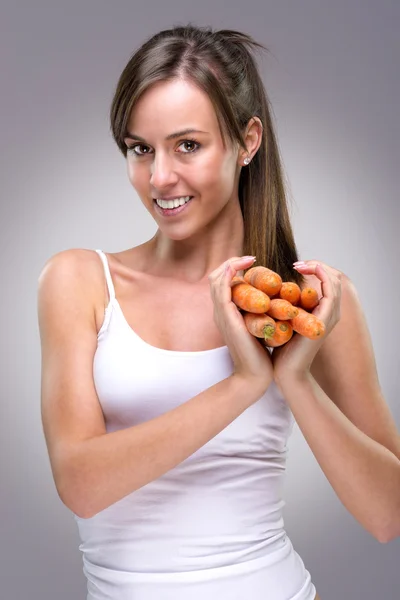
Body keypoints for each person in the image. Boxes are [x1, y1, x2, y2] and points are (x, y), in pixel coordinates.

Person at [37, 24, 400, 600]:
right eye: (140, 149)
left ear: (247, 141)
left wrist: (295, 379)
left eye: (188, 145)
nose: (160, 178)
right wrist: (244, 383)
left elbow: (388, 515)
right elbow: (80, 484)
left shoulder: (312, 304)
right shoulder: (80, 282)